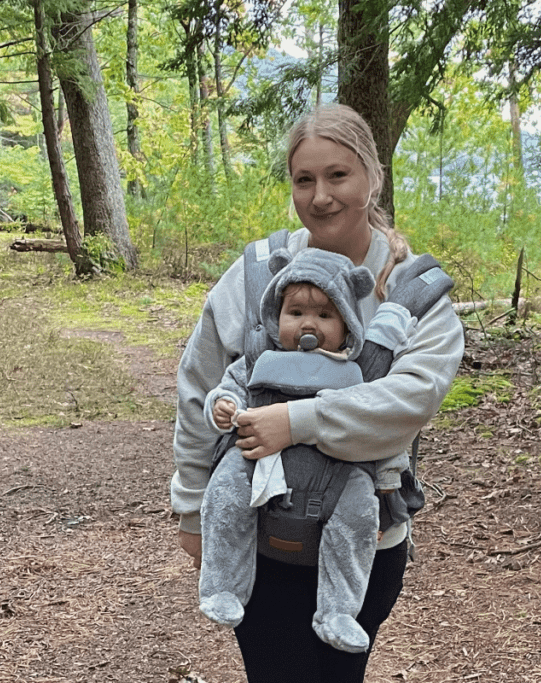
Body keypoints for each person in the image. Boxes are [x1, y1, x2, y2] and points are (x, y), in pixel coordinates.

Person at [171, 103, 465, 682]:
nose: (320, 196)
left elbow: (409, 400)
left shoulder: (413, 293)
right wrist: (191, 505)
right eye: (304, 179)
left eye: (338, 175)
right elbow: (200, 383)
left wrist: (295, 422)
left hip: (364, 542)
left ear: (372, 177)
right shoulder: (259, 274)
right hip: (259, 535)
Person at [198, 247, 413, 656]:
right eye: (296, 313)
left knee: (359, 515)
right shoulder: (260, 357)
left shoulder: (358, 373)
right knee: (225, 491)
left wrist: (387, 489)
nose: (308, 324)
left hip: (337, 470)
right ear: (277, 317)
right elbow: (228, 388)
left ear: (348, 324)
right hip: (259, 460)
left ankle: (338, 610)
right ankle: (223, 585)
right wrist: (222, 406)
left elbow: (380, 425)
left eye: (325, 316)